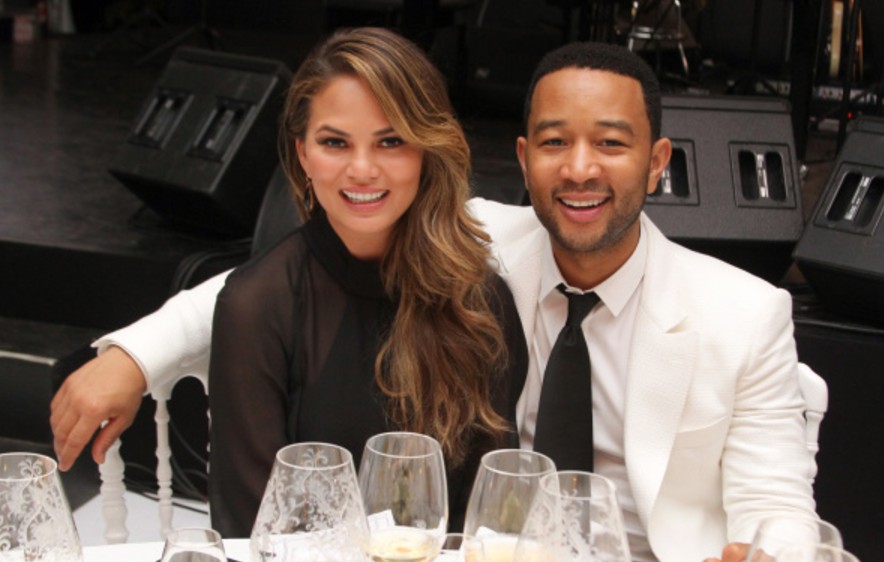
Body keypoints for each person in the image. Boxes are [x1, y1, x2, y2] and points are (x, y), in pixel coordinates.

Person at [50, 41, 816, 561]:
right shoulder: (480, 240)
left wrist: (769, 552)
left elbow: (778, 504)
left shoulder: (745, 315)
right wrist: (131, 356)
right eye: (555, 142)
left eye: (611, 144)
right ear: (525, 158)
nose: (580, 170)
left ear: (656, 163)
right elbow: (275, 282)